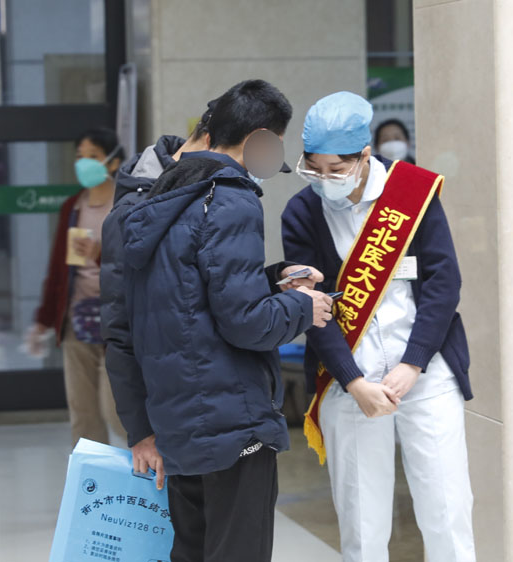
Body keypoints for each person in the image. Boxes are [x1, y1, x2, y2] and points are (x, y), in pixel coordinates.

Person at [119, 79, 333, 562]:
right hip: (232, 421)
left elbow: (188, 298)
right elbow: (246, 322)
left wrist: (274, 280)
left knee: (193, 551)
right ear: (260, 139)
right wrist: (305, 307)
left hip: (181, 422)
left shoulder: (165, 194)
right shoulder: (231, 197)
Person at [281, 91, 476, 562]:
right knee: (362, 523)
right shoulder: (302, 212)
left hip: (426, 373)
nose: (324, 179)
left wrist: (413, 363)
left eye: (336, 169)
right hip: (350, 379)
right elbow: (312, 306)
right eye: (314, 168)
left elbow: (443, 283)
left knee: (447, 510)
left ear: (364, 156)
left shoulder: (413, 193)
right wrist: (353, 381)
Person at [100, 101, 215, 469]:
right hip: (167, 412)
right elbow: (120, 329)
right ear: (211, 141)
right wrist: (140, 431)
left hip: (207, 409)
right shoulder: (134, 207)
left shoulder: (212, 195)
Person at [30, 127, 126, 446]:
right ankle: (92, 477)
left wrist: (100, 253)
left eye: (92, 157)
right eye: (79, 156)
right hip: (78, 321)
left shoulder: (127, 205)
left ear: (113, 162)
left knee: (117, 411)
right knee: (83, 414)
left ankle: (151, 470)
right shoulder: (73, 207)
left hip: (119, 323)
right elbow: (58, 268)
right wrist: (44, 320)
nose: (83, 163)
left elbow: (138, 264)